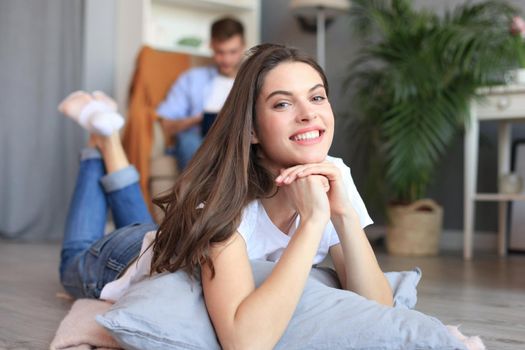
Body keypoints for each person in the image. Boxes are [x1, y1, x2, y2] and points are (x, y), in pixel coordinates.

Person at [58, 44, 393, 349]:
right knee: (73, 257)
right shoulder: (226, 211)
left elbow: (381, 312)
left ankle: (108, 137)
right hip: (121, 259)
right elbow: (245, 343)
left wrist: (343, 213)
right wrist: (313, 222)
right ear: (251, 130)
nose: (308, 114)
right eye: (283, 103)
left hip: (165, 237)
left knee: (143, 224)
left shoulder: (334, 175)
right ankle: (97, 140)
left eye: (317, 97)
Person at [156, 17, 246, 170]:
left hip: (238, 139)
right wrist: (198, 120)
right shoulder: (192, 79)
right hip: (199, 139)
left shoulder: (251, 80)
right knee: (188, 141)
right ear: (211, 45)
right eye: (220, 52)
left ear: (243, 46)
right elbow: (167, 125)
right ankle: (199, 193)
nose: (226, 59)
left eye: (233, 52)